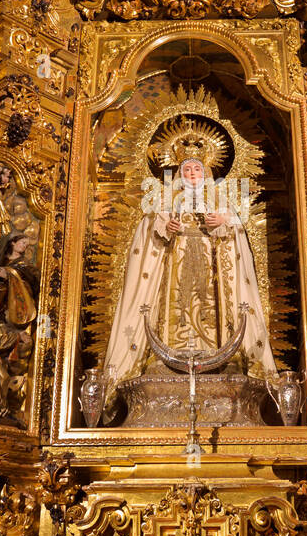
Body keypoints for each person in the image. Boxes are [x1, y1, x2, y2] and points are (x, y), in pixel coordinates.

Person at [103, 156, 276, 388]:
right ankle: (167, 357)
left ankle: (217, 357)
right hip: (176, 265)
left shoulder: (219, 200)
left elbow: (235, 232)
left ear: (205, 173)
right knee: (179, 307)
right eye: (187, 169)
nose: (192, 173)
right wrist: (165, 226)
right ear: (179, 175)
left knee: (207, 308)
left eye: (197, 168)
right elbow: (149, 230)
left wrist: (223, 221)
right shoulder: (166, 200)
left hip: (212, 271)